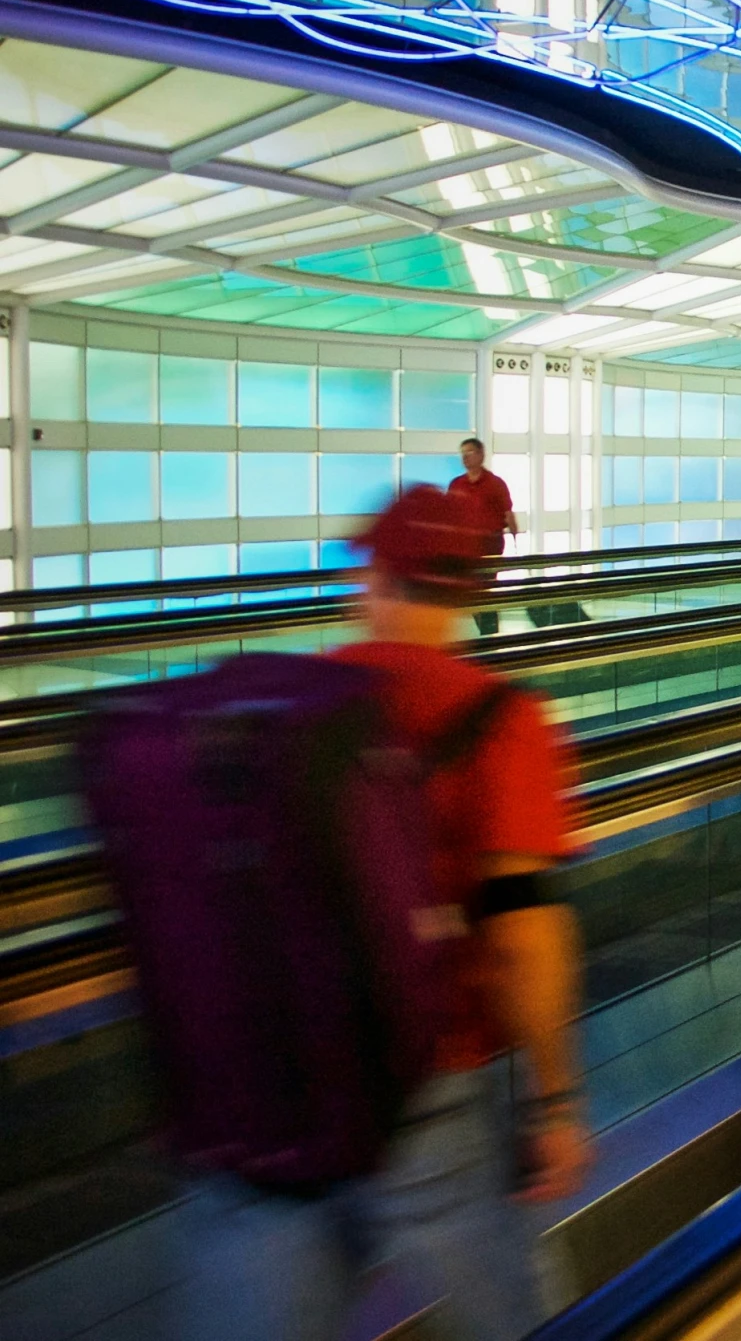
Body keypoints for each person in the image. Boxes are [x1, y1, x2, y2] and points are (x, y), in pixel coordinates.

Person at [165, 486, 588, 1341]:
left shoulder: (289, 709)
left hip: (276, 1084)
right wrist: (554, 1098)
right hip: (425, 1084)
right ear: (468, 587)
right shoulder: (502, 720)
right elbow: (521, 929)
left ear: (380, 580)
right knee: (519, 1319)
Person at [448, 437, 518, 636]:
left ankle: (490, 635)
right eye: (462, 454)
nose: (465, 458)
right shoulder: (457, 484)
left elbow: (508, 513)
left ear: (481, 454)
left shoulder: (495, 484)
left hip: (490, 545)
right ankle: (483, 632)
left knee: (486, 589)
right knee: (470, 592)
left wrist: (515, 539)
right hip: (464, 546)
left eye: (469, 453)